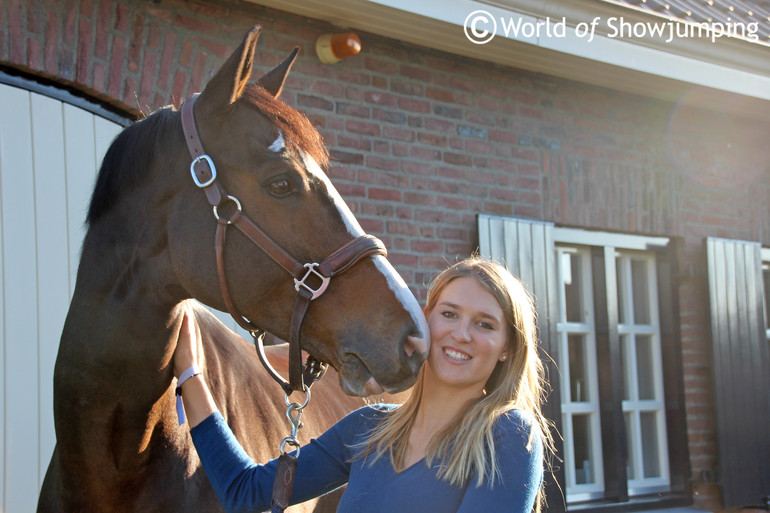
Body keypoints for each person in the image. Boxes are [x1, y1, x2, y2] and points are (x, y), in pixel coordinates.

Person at [174, 257, 553, 513]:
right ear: (424, 321)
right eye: (449, 314)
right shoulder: (368, 428)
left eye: (485, 324)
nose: (461, 334)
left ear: (507, 348)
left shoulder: (508, 435)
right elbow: (247, 491)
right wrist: (191, 375)